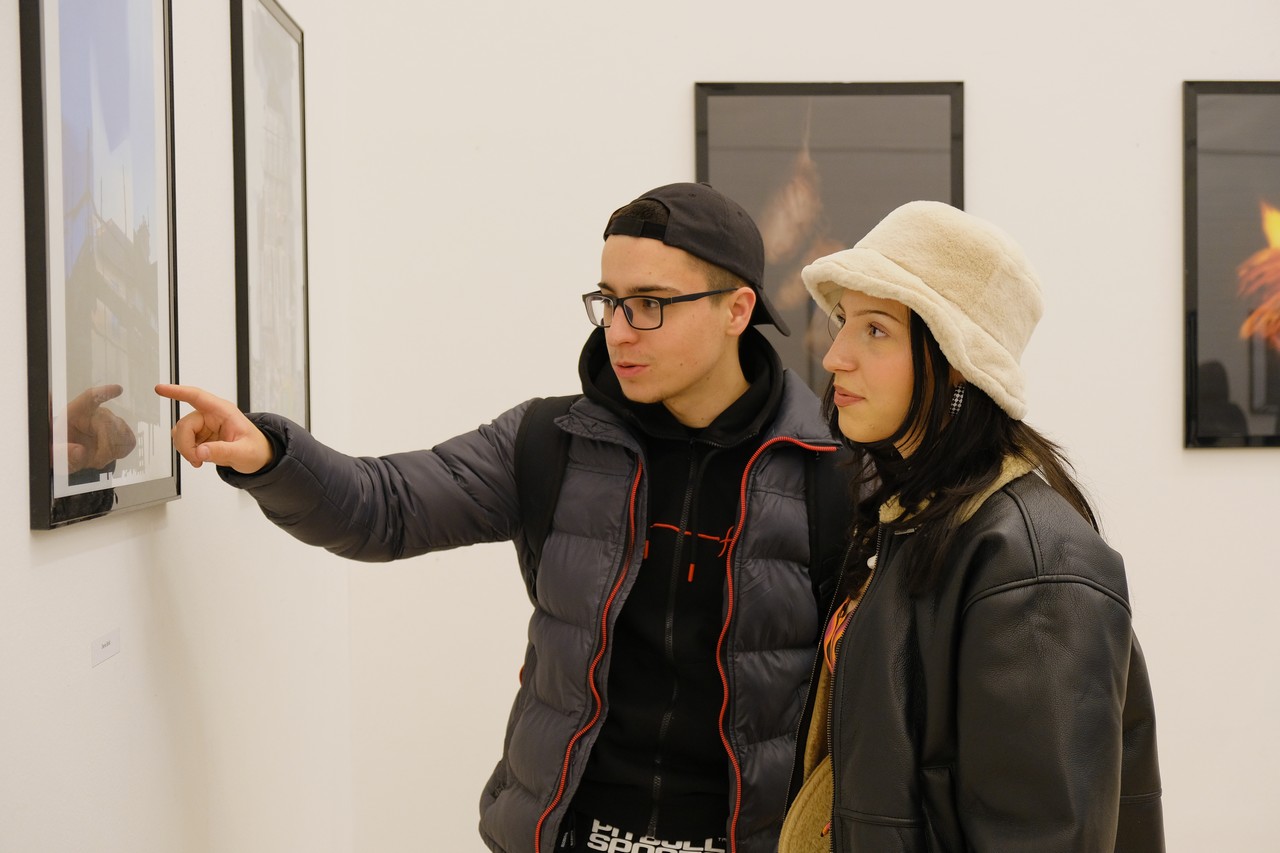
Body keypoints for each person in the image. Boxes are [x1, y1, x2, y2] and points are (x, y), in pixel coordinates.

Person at [156, 182, 854, 853]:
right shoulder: (550, 442)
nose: (619, 331)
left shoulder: (836, 471)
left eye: (649, 304)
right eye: (609, 302)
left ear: (737, 310)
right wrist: (271, 455)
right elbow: (382, 507)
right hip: (570, 833)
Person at [779, 200, 1164, 852]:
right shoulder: (913, 520)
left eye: (875, 330)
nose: (836, 355)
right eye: (843, 321)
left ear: (956, 357)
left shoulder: (1033, 567)